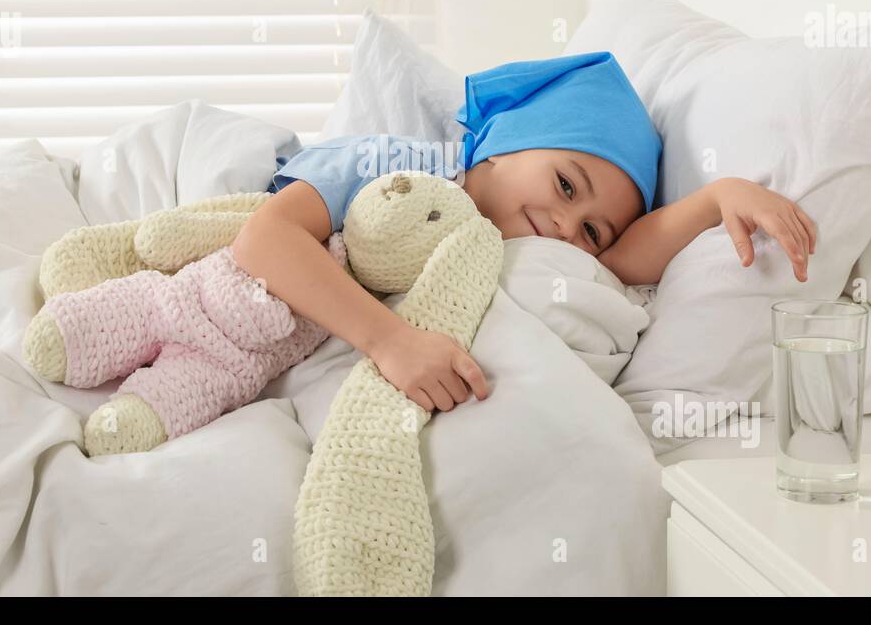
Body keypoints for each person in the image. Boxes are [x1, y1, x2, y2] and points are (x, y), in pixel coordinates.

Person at [231, 51, 815, 414]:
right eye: (565, 184)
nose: (565, 224)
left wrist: (717, 198)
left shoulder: (523, 253)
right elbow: (263, 240)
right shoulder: (392, 169)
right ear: (505, 143)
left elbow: (625, 260)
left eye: (590, 229)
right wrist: (391, 341)